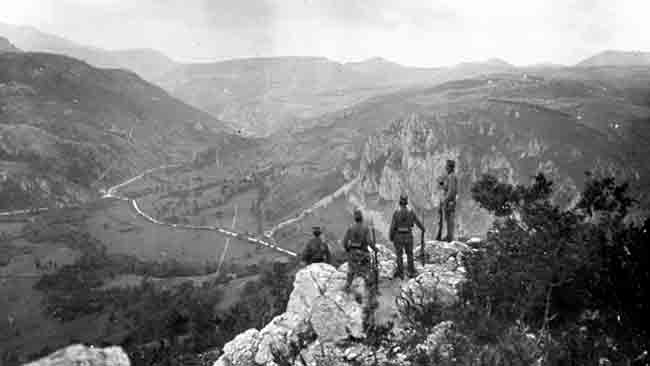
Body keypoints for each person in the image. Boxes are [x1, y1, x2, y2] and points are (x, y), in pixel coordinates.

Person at [389, 194, 425, 279]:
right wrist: (423, 229)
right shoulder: (411, 211)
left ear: (400, 201)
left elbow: (392, 227)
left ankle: (401, 273)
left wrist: (391, 236)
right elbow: (417, 222)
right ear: (407, 202)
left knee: (399, 255)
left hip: (398, 236)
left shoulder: (396, 212)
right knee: (410, 254)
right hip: (408, 235)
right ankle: (411, 271)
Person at [439, 159, 458, 242]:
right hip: (449, 201)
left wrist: (445, 200)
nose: (445, 168)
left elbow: (451, 191)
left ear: (450, 167)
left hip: (449, 201)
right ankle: (448, 236)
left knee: (450, 218)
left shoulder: (452, 177)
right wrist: (442, 184)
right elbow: (448, 188)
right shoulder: (450, 176)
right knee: (448, 218)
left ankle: (449, 237)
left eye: (446, 166)